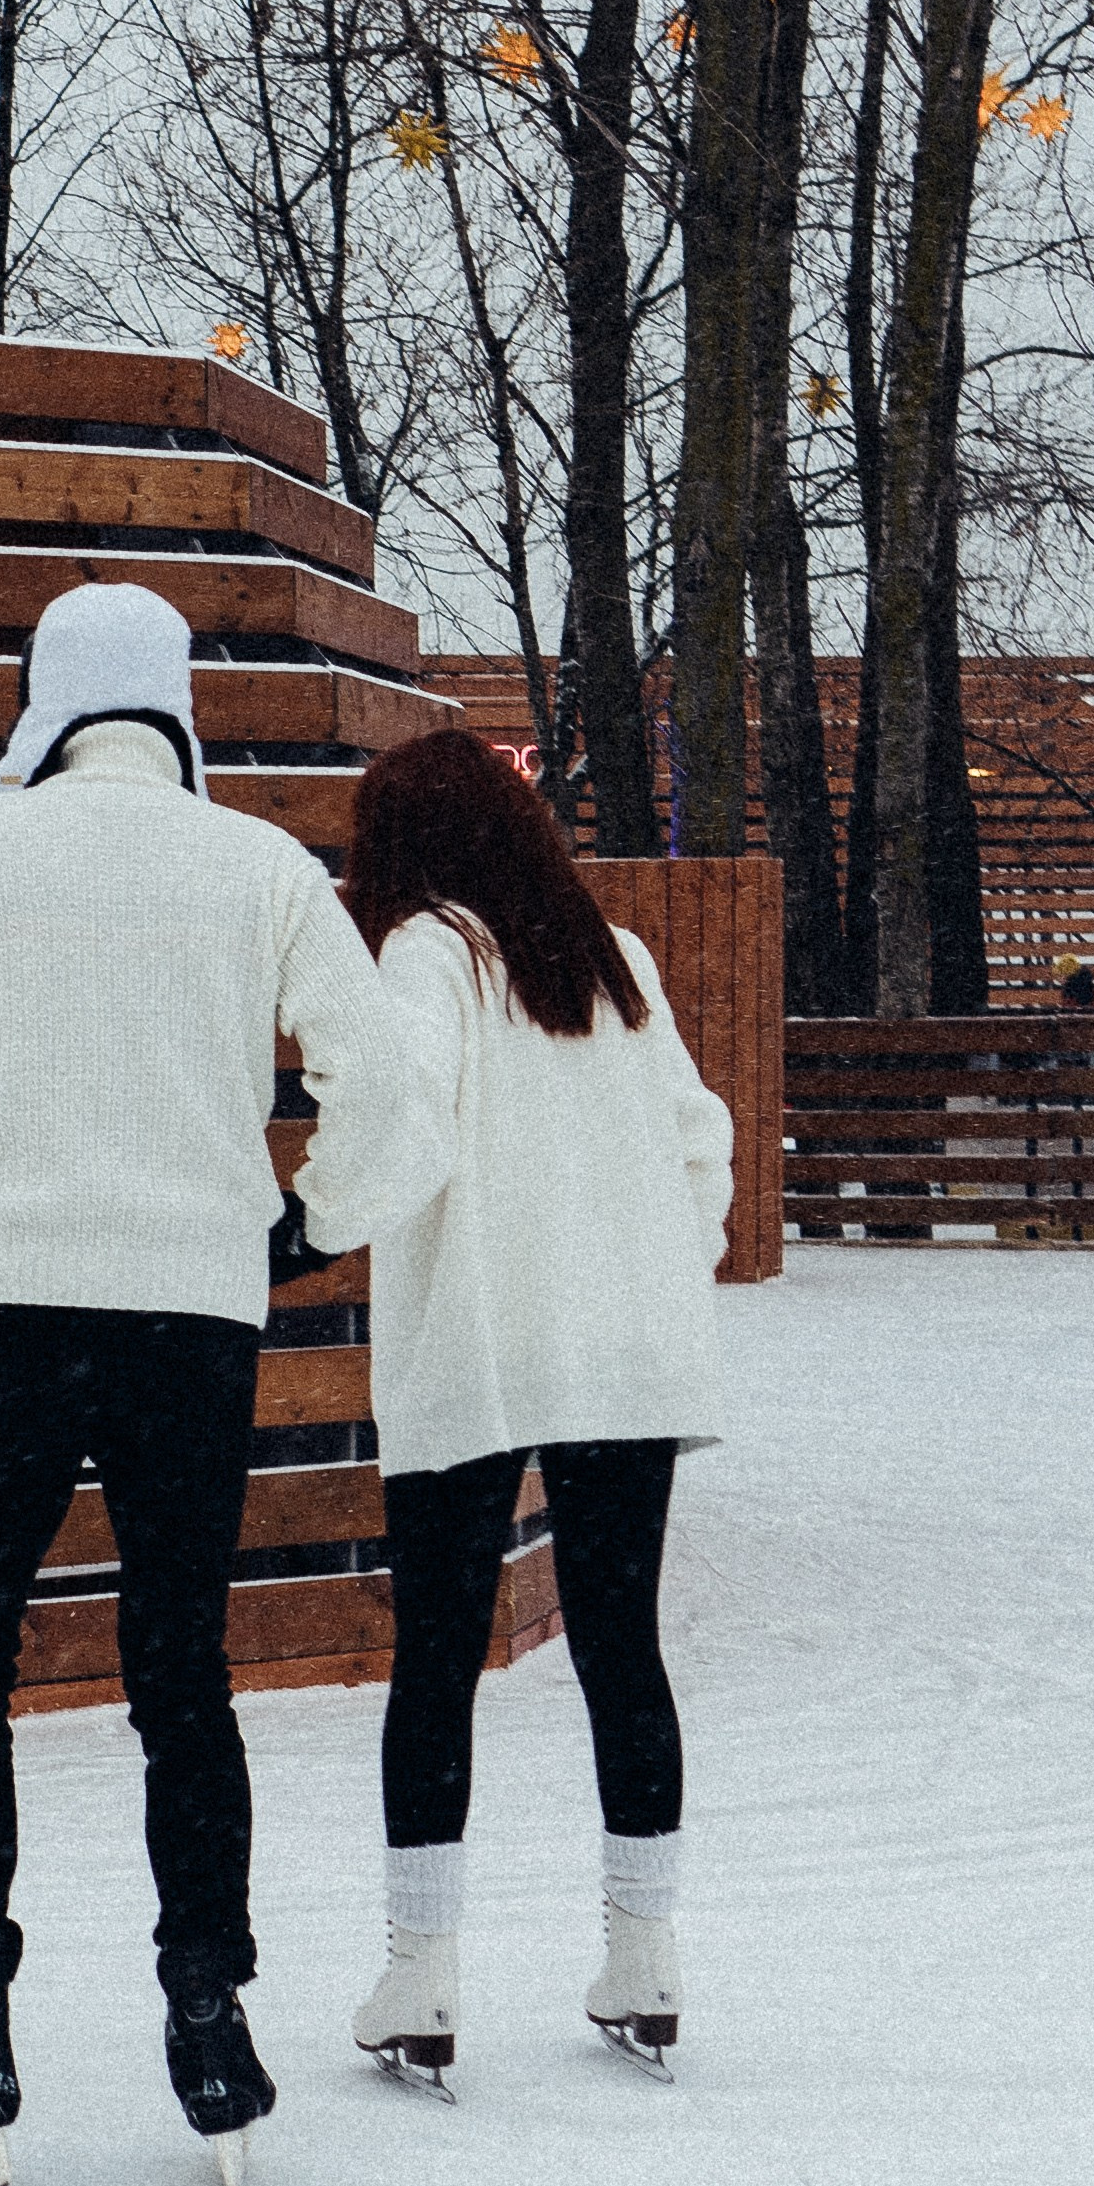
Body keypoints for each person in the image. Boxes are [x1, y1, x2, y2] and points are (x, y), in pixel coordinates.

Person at [0, 581, 440, 2186]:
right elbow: (389, 1092)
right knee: (184, 1675)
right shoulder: (259, 868)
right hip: (192, 1321)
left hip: (11, 1311)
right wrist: (304, 1227)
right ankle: (210, 2014)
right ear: (171, 702)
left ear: (42, 696)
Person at [339, 730, 735, 2088]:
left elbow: (403, 1118)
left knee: (439, 1655)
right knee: (621, 1647)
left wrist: (310, 1222)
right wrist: (648, 1273)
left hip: (482, 1342)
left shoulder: (431, 951)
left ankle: (422, 1974)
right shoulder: (615, 954)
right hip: (621, 1349)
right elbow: (702, 1141)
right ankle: (647, 1951)